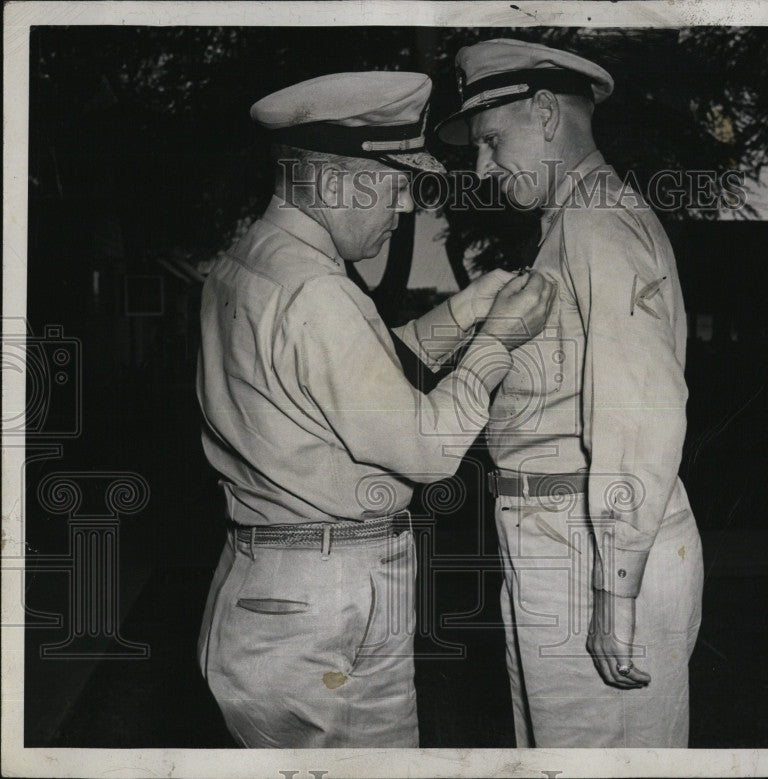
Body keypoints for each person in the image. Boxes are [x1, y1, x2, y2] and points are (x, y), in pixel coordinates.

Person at [195, 71, 556, 748]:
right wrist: (499, 341)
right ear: (339, 182)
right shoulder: (316, 292)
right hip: (319, 603)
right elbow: (426, 448)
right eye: (397, 189)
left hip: (283, 585)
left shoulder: (258, 262)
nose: (402, 213)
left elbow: (358, 376)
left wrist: (468, 311)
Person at [437, 39, 703, 747]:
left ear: (547, 113)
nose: (483, 169)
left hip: (593, 543)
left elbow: (639, 411)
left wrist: (615, 587)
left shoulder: (599, 221)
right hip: (555, 535)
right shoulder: (571, 220)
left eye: (492, 141)